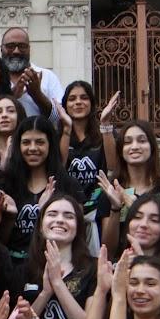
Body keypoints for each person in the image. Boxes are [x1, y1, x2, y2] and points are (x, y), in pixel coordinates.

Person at [0, 116, 83, 274]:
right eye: (26, 142)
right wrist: (10, 218)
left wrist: (43, 212)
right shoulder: (7, 184)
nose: (32, 148)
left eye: (40, 142)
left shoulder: (68, 185)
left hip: (57, 266)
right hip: (13, 268)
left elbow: (78, 234)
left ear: (50, 145)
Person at [97, 119, 160, 257]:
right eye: (128, 142)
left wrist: (135, 207)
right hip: (124, 268)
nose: (134, 146)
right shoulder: (111, 192)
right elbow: (108, 250)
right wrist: (116, 209)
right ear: (121, 150)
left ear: (152, 147)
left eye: (141, 140)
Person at [57, 81, 119, 254]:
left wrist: (105, 124)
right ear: (65, 105)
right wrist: (66, 130)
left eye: (84, 98)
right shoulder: (58, 134)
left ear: (91, 103)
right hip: (68, 208)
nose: (78, 102)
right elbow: (59, 168)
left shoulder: (105, 134)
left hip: (98, 210)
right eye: (72, 99)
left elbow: (113, 166)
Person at [0, 27, 63, 121]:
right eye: (10, 46)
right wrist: (11, 96)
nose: (16, 51)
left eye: (22, 46)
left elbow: (60, 118)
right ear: (1, 48)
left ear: (29, 49)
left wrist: (37, 94)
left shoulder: (47, 76)